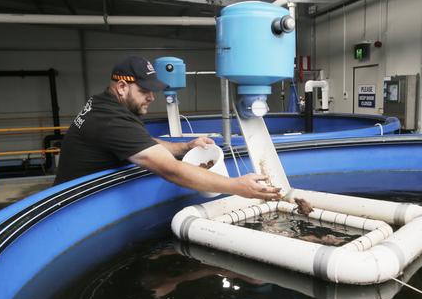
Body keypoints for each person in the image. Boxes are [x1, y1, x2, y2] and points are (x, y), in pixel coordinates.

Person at [53, 56, 281, 200]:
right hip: (71, 205)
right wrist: (236, 186)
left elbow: (142, 141)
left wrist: (185, 147)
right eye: (145, 90)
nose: (152, 97)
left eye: (154, 90)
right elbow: (170, 170)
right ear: (122, 87)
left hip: (78, 197)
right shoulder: (111, 120)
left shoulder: (105, 104)